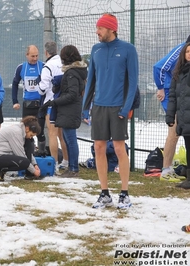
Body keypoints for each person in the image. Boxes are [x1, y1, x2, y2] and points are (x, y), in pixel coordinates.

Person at [82, 13, 139, 209]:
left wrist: (126, 107)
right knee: (98, 148)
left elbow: (133, 83)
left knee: (118, 148)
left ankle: (124, 193)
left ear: (111, 29)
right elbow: (91, 81)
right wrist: (85, 107)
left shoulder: (128, 50)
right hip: (98, 106)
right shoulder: (95, 49)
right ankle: (104, 193)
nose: (96, 31)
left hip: (118, 108)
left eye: (100, 28)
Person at [41, 45, 88, 177]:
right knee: (67, 139)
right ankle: (71, 168)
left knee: (71, 140)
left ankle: (74, 169)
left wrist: (55, 101)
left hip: (70, 110)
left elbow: (72, 93)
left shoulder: (72, 73)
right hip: (69, 110)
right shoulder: (74, 71)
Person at [153, 35, 190, 182]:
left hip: (183, 93)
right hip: (173, 94)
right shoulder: (181, 49)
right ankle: (166, 169)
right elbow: (159, 67)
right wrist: (161, 88)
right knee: (174, 131)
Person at [37, 41, 69, 174]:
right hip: (65, 102)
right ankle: (66, 161)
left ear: (46, 52)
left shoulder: (47, 66)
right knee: (62, 135)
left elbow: (42, 89)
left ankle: (54, 164)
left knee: (52, 134)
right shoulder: (64, 63)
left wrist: (39, 87)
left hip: (52, 103)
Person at [11, 45, 47, 155]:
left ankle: (41, 151)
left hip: (40, 104)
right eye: (32, 56)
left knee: (39, 131)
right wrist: (15, 101)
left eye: (36, 56)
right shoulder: (21, 68)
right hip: (27, 105)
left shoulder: (43, 66)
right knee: (26, 131)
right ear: (27, 55)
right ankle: (27, 154)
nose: (35, 58)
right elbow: (15, 84)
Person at [166, 42, 190, 189]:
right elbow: (172, 97)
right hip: (184, 119)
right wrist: (170, 116)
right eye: (187, 52)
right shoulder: (178, 73)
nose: (189, 54)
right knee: (189, 148)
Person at [0, 116, 41, 181]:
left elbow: (27, 152)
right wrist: (34, 171)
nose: (31, 137)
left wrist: (35, 164)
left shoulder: (21, 131)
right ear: (27, 129)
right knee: (24, 162)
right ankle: (1, 169)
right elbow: (20, 154)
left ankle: (1, 170)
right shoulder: (16, 132)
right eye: (31, 135)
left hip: (3, 156)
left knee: (29, 144)